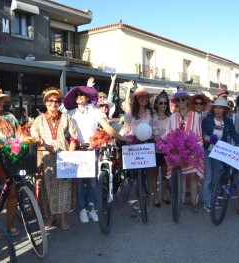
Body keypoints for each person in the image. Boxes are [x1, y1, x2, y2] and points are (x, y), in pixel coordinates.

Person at [64, 85, 125, 223]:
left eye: (82, 94)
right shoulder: (70, 113)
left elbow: (107, 127)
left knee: (92, 182)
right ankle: (82, 209)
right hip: (77, 150)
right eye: (77, 94)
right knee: (79, 182)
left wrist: (120, 138)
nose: (79, 96)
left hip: (92, 149)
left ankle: (92, 208)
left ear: (87, 97)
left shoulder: (95, 111)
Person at [30, 88, 77, 230]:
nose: (54, 103)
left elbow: (74, 137)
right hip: (45, 158)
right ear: (45, 102)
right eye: (50, 100)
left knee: (64, 187)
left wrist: (70, 155)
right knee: (47, 189)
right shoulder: (38, 120)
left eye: (57, 101)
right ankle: (50, 216)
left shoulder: (67, 117)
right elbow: (33, 137)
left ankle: (63, 217)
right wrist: (40, 141)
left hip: (64, 156)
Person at [0, 86, 22, 238]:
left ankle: (10, 224)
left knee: (12, 193)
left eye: (1, 98)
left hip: (8, 161)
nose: (0, 102)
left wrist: (29, 141)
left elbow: (20, 136)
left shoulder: (10, 117)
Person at [165, 91, 204, 213]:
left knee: (192, 176)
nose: (181, 102)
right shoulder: (173, 116)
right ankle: (181, 200)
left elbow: (198, 133)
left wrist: (195, 146)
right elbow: (168, 132)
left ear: (187, 101)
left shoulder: (195, 115)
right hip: (177, 150)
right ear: (175, 102)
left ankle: (193, 202)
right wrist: (165, 141)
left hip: (191, 149)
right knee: (181, 176)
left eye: (183, 99)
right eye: (178, 100)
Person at [201, 98, 239, 212]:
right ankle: (207, 201)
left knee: (216, 176)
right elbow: (203, 131)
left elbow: (234, 134)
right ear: (213, 108)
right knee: (208, 176)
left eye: (220, 108)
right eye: (216, 107)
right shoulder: (207, 119)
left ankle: (213, 197)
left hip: (220, 151)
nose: (218, 110)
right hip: (208, 150)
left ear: (225, 109)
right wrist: (205, 137)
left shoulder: (228, 122)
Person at [119, 86, 157, 210]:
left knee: (150, 172)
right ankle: (139, 195)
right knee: (136, 172)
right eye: (141, 97)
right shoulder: (130, 113)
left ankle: (149, 198)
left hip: (149, 143)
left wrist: (156, 135)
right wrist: (122, 136)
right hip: (134, 143)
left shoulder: (152, 112)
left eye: (145, 97)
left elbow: (155, 126)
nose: (143, 99)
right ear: (136, 99)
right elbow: (126, 126)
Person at [152, 90, 171, 206]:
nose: (163, 105)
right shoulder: (152, 118)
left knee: (164, 174)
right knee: (154, 175)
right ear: (156, 104)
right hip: (153, 150)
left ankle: (164, 194)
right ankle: (156, 196)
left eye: (165, 103)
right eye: (161, 103)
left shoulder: (171, 117)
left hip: (166, 150)